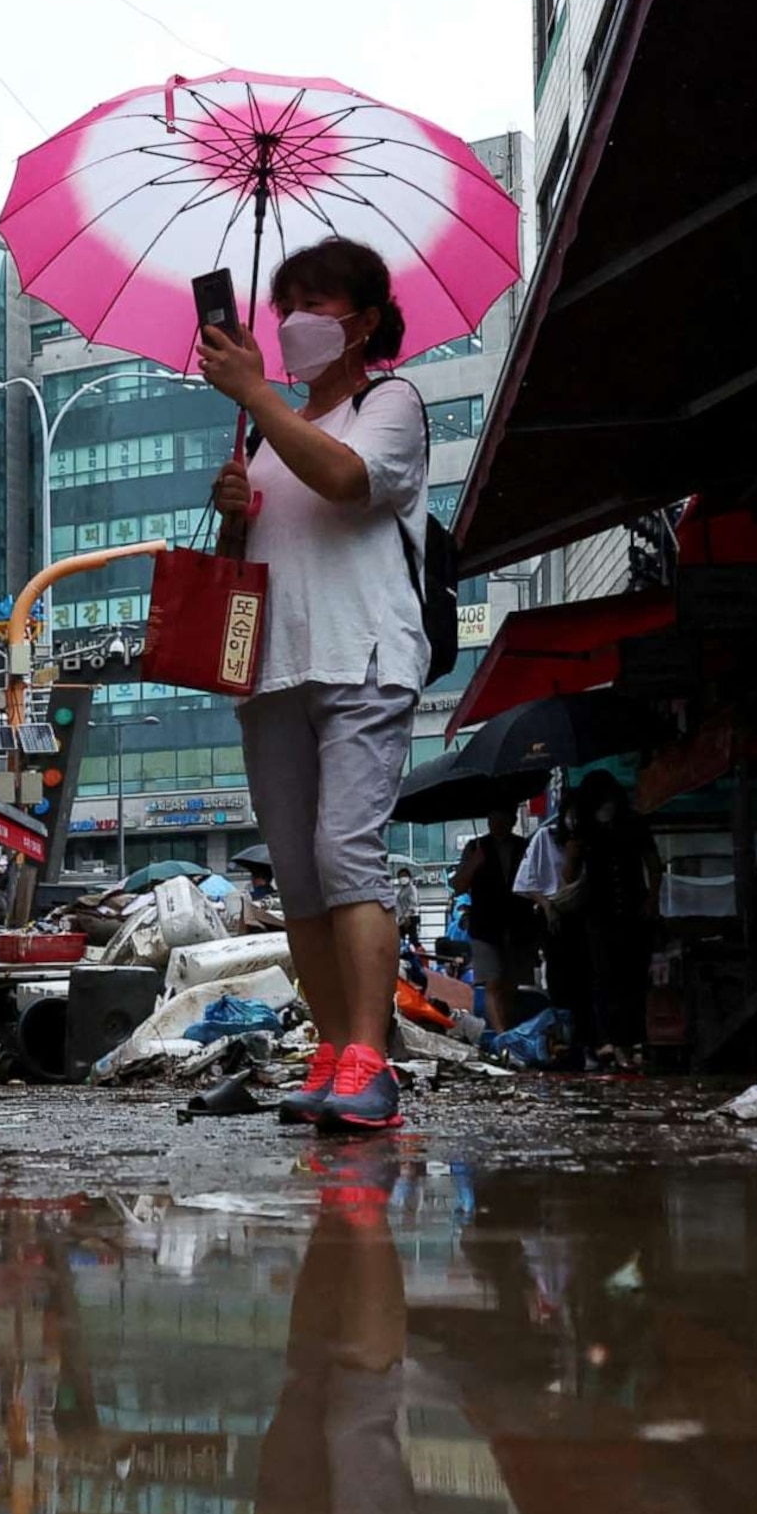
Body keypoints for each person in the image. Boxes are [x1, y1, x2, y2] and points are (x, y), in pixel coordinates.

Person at [196, 237, 430, 1132]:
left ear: (365, 322)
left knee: (345, 853)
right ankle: (333, 1048)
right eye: (286, 303)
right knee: (296, 873)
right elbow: (248, 563)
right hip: (273, 670)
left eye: (318, 304)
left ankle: (372, 1056)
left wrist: (256, 393)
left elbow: (345, 479)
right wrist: (233, 513)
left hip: (363, 657)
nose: (294, 323)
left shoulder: (391, 402)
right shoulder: (262, 439)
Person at [561, 770, 661, 1070]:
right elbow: (569, 876)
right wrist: (573, 854)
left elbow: (654, 865)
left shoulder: (633, 824)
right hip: (600, 914)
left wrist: (651, 899)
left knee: (631, 978)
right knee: (608, 978)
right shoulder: (585, 831)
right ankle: (614, 1042)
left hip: (630, 910)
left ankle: (633, 1041)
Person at [451, 811, 532, 1031]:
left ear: (513, 819)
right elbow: (458, 885)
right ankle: (502, 1035)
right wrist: (474, 864)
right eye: (494, 817)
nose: (499, 822)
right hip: (486, 926)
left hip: (518, 925)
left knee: (510, 983)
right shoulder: (476, 847)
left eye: (504, 817)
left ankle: (510, 1030)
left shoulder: (524, 845)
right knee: (492, 981)